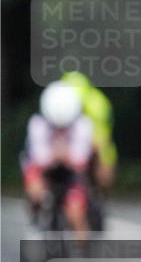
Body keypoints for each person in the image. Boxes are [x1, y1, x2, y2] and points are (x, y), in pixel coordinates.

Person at [21, 81, 96, 240]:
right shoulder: (37, 123)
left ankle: (81, 254)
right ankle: (36, 216)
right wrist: (60, 156)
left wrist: (59, 156)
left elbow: (81, 158)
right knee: (35, 189)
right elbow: (38, 157)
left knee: (77, 215)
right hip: (45, 171)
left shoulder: (83, 125)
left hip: (72, 174)